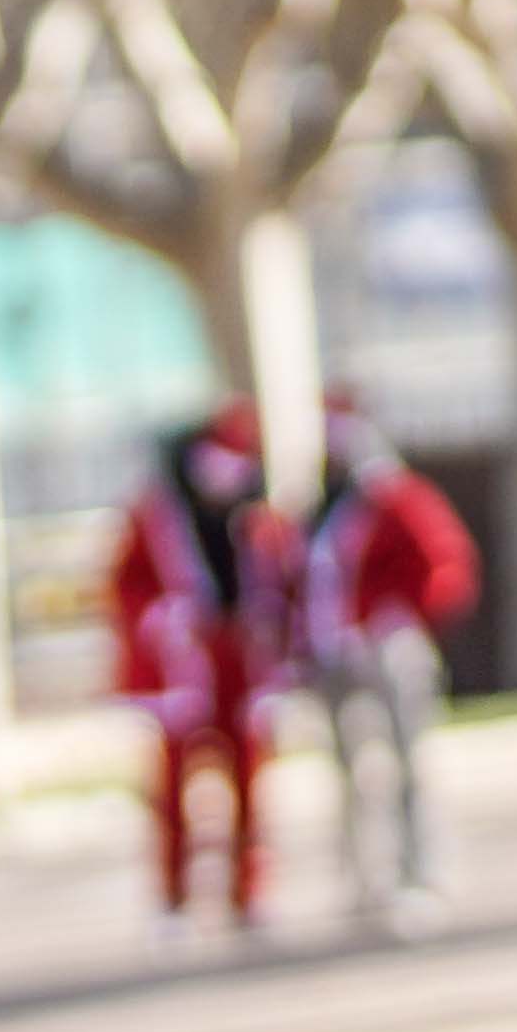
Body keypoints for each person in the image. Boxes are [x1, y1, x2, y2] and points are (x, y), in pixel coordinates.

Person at [110, 402, 297, 942]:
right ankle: (172, 898)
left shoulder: (259, 519)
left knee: (250, 784)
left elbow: (286, 586)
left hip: (243, 664)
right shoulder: (155, 517)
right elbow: (127, 588)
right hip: (183, 666)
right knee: (173, 791)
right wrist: (167, 621)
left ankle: (250, 891)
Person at [298, 396, 479, 935]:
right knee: (349, 771)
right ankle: (363, 878)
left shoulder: (398, 497)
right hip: (335, 652)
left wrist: (400, 619)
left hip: (387, 647)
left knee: (407, 765)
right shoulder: (324, 506)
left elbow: (445, 565)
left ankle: (422, 872)